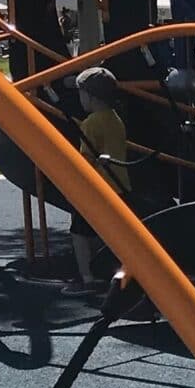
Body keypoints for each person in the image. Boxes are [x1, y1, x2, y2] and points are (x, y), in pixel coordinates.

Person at [67, 66, 131, 295]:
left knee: (80, 233)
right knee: (112, 232)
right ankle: (115, 272)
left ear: (90, 97)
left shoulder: (91, 123)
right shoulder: (115, 119)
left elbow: (86, 159)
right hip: (119, 185)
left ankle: (87, 277)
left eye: (81, 94)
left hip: (97, 188)